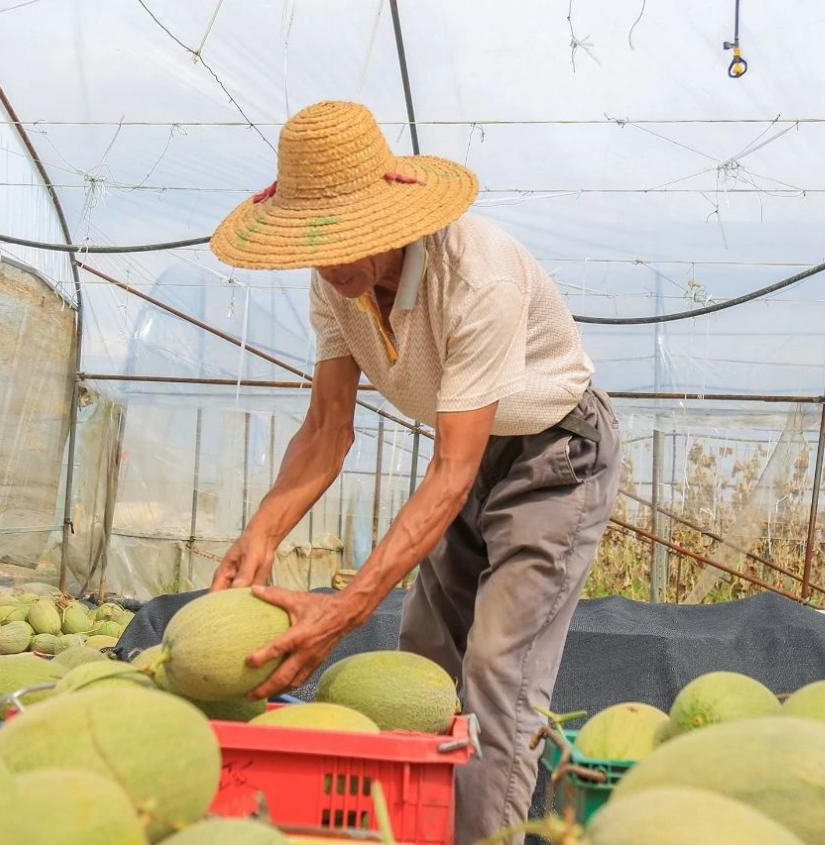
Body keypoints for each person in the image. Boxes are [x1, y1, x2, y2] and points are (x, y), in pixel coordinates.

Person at [207, 100, 621, 843]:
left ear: (391, 219)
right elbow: (328, 429)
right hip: (469, 451)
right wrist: (260, 535)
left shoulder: (476, 274)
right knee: (423, 654)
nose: (332, 263)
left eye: (347, 241)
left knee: (499, 667)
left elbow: (451, 467)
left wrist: (345, 607)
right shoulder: (334, 284)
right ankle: (407, 824)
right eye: (316, 244)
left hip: (551, 453)